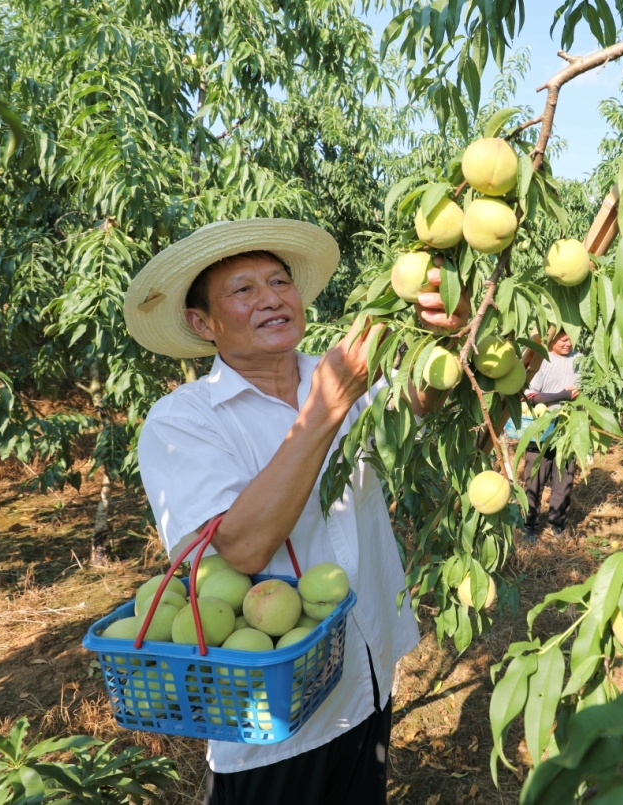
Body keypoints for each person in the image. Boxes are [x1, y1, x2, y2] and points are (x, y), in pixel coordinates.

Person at [122, 218, 467, 804]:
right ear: (203, 324)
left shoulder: (338, 373)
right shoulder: (185, 420)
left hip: (365, 674)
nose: (271, 298)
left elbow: (414, 403)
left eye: (279, 281)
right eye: (243, 290)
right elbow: (243, 546)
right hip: (270, 721)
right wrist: (328, 406)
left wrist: (448, 337)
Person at [521, 329, 581, 539]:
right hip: (540, 429)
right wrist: (563, 395)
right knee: (534, 479)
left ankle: (557, 524)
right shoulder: (541, 359)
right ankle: (529, 526)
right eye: (563, 339)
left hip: (567, 429)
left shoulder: (579, 360)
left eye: (570, 339)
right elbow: (529, 396)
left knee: (564, 478)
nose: (568, 343)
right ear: (551, 339)